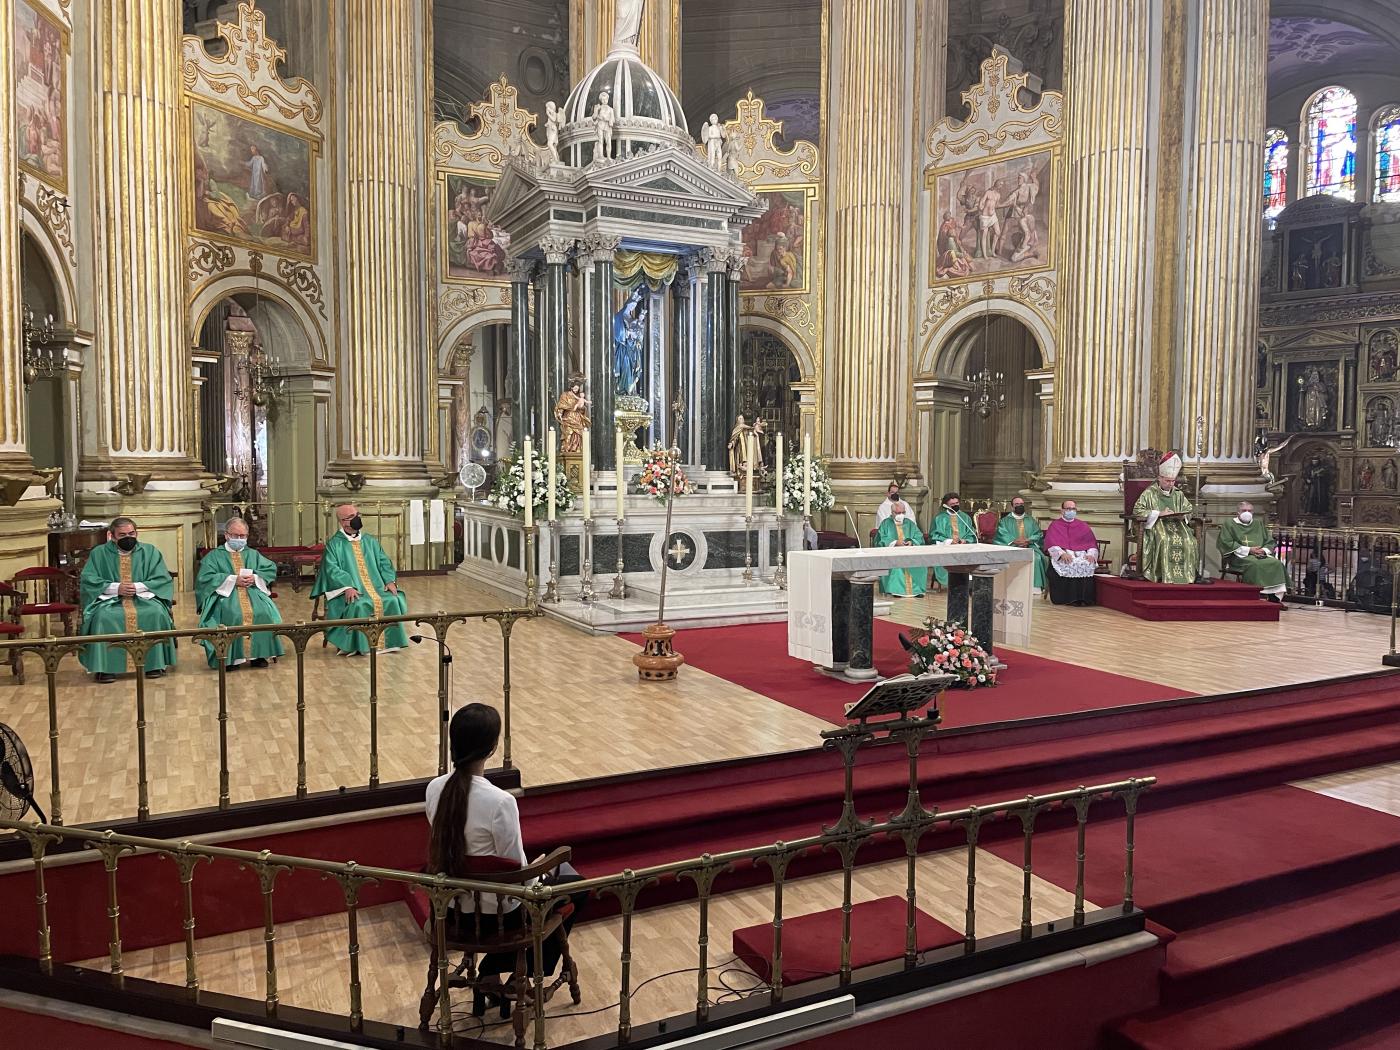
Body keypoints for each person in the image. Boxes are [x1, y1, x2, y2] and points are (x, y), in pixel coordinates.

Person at [426, 704, 586, 988]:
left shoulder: (434, 788)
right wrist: (538, 869)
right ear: (492, 748)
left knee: (556, 875)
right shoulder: (500, 801)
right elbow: (516, 875)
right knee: (577, 884)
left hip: (450, 909)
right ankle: (511, 972)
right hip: (497, 916)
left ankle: (492, 970)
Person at [79, 517, 177, 684]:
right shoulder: (99, 553)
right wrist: (116, 588)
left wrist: (138, 586)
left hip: (144, 598)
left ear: (137, 533)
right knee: (103, 617)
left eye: (131, 533)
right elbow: (89, 580)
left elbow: (162, 579)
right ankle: (105, 668)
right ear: (112, 536)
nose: (128, 538)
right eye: (122, 535)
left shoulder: (150, 551)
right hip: (110, 600)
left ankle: (154, 665)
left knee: (156, 613)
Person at [312, 505, 410, 655]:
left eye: (357, 514)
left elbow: (384, 562)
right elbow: (331, 569)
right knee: (360, 605)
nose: (357, 518)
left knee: (392, 600)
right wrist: (347, 587)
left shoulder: (369, 541)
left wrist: (390, 581)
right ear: (343, 522)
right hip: (353, 591)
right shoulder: (334, 544)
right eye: (351, 516)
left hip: (377, 588)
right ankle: (359, 646)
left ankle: (391, 643)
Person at [195, 517, 285, 669]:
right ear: (227, 535)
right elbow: (205, 578)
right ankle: (231, 658)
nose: (239, 539)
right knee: (233, 614)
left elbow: (269, 569)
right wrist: (232, 579)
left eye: (243, 536)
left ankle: (259, 655)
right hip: (225, 595)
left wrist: (255, 577)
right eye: (235, 536)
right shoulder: (214, 556)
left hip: (252, 593)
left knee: (263, 613)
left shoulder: (253, 554)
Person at [1132, 451, 1198, 584]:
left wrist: (1183, 516)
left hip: (1178, 525)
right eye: (1167, 481)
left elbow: (1189, 509)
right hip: (1157, 525)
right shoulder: (1149, 493)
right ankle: (1161, 574)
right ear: (1160, 478)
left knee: (1190, 541)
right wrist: (1158, 513)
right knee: (1164, 539)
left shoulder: (1178, 494)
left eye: (1173, 481)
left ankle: (1187, 574)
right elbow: (1137, 510)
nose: (1171, 484)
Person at [1216, 501, 1287, 603]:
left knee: (1277, 563)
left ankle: (1274, 598)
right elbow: (1226, 542)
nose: (1247, 513)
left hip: (1260, 555)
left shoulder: (1258, 523)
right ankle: (1253, 596)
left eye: (1250, 511)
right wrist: (1249, 550)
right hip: (1239, 557)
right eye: (1244, 510)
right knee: (1255, 565)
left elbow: (1269, 541)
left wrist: (1263, 550)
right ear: (1238, 513)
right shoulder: (1229, 524)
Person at [1043, 500, 1099, 606]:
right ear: (1062, 510)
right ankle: (1068, 598)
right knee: (1068, 562)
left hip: (1081, 554)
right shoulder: (1055, 525)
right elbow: (1051, 543)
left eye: (1073, 509)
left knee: (1087, 563)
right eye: (1068, 509)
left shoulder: (1083, 525)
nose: (1071, 511)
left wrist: (1091, 554)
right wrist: (1061, 553)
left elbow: (1092, 544)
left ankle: (1084, 598)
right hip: (1065, 553)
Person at [994, 497, 1047, 591]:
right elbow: (1002, 533)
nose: (1020, 506)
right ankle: (1012, 586)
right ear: (1012, 506)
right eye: (1017, 504)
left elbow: (1038, 533)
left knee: (1037, 559)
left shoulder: (1031, 520)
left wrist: (1028, 540)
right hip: (1011, 547)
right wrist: (1014, 541)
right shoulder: (1005, 521)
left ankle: (1035, 587)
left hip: (1029, 547)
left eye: (1021, 504)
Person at [876, 501, 927, 597]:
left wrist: (912, 542)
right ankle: (896, 590)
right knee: (897, 564)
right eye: (898, 513)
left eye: (903, 512)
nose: (901, 515)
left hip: (910, 553)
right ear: (892, 513)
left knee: (920, 564)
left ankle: (917, 590)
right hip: (892, 554)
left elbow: (919, 536)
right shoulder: (885, 524)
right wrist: (895, 542)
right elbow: (880, 539)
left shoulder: (910, 523)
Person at [927, 492, 976, 588]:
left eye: (957, 503)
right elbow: (933, 536)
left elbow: (972, 534)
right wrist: (949, 541)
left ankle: (967, 583)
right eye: (952, 505)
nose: (955, 506)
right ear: (946, 505)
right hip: (946, 549)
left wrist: (965, 540)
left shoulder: (965, 517)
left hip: (963, 548)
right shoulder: (939, 518)